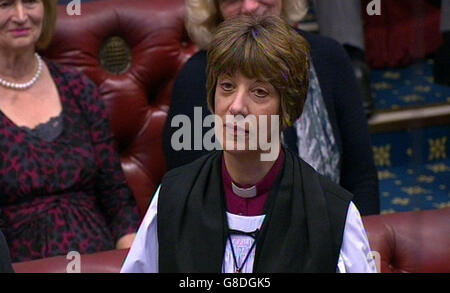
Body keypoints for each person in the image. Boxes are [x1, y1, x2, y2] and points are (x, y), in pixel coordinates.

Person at [122, 15, 377, 273]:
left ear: (288, 108)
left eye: (259, 92)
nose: (236, 107)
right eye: (227, 86)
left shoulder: (333, 214)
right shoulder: (173, 197)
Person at [163, 0, 380, 216]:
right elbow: (189, 195)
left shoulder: (329, 57)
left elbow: (361, 177)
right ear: (214, 9)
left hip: (331, 235)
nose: (249, 7)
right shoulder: (194, 78)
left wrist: (357, 243)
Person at [0, 0, 139, 262]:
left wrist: (130, 258)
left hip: (99, 257)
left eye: (30, 2)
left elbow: (116, 194)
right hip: (21, 264)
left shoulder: (78, 88)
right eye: (5, 4)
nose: (20, 16)